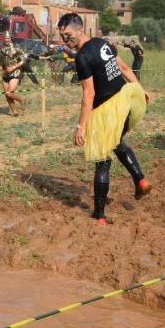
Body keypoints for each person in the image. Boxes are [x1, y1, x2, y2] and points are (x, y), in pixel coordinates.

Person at [58, 12, 151, 225]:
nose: (65, 39)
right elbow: (124, 68)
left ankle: (99, 216)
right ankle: (141, 180)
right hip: (125, 102)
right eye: (62, 35)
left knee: (102, 161)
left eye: (68, 34)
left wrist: (81, 126)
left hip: (107, 111)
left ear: (80, 28)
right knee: (117, 143)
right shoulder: (103, 43)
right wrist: (139, 88)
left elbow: (88, 95)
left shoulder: (82, 57)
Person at [0, 34, 27, 116]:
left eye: (8, 38)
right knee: (7, 96)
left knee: (9, 93)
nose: (6, 39)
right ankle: (15, 112)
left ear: (11, 38)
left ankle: (22, 100)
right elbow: (1, 62)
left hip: (15, 73)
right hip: (5, 74)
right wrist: (0, 67)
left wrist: (14, 67)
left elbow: (23, 60)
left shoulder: (16, 49)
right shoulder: (2, 50)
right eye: (5, 38)